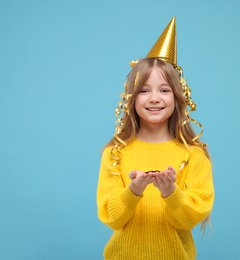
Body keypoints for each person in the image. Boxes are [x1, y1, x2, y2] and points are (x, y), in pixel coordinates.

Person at [96, 17, 215, 260]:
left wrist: (171, 191)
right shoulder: (115, 153)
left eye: (164, 90)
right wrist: (134, 190)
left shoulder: (193, 155)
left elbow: (192, 216)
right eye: (144, 90)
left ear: (177, 98)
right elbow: (111, 217)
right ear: (131, 98)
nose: (154, 98)